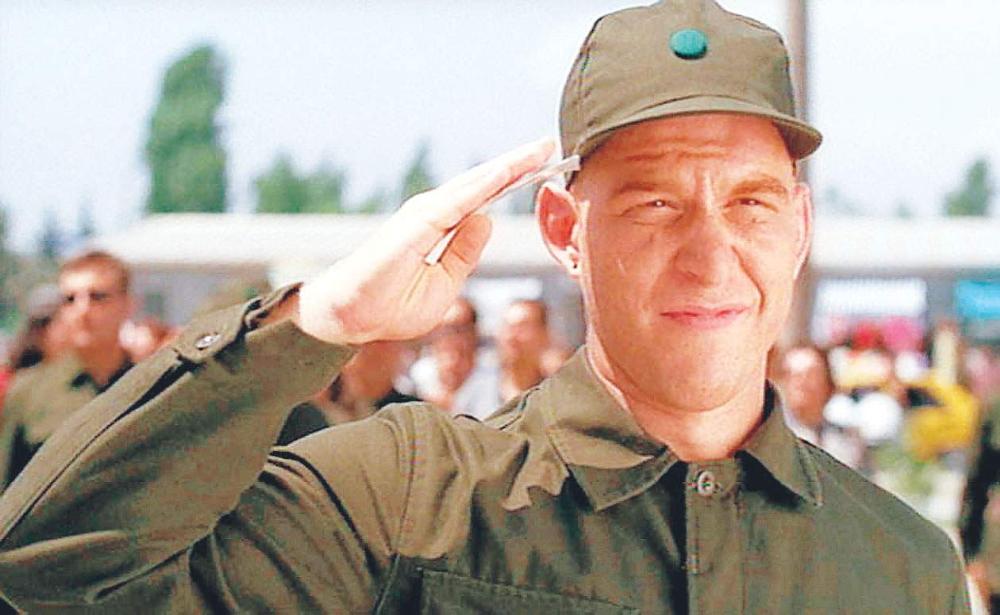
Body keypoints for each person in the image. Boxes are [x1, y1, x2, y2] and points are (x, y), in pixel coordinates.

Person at [0, 2, 969, 612]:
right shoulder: (404, 498)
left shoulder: (903, 568)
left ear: (799, 227)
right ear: (563, 228)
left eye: (750, 203)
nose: (710, 254)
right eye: (654, 204)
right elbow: (49, 576)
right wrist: (313, 326)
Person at [0, 250, 135, 491]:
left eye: (98, 297)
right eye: (70, 299)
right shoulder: (28, 391)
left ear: (128, 305)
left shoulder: (153, 386)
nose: (83, 310)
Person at [776, 343, 865, 469]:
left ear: (828, 381)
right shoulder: (772, 440)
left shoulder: (849, 439)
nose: (801, 382)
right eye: (792, 374)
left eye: (810, 374)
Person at [411, 297, 499, 418]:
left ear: (474, 332)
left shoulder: (495, 378)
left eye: (458, 329)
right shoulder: (417, 375)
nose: (451, 337)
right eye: (444, 329)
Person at [496, 299, 551, 402]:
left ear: (544, 335)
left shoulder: (556, 394)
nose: (511, 337)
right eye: (508, 327)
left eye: (522, 328)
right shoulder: (476, 390)